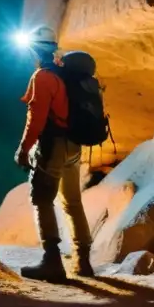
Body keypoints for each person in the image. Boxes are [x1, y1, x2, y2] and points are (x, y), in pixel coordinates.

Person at [14, 25, 93, 282]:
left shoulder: (43, 77)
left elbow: (36, 118)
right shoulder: (65, 74)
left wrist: (24, 149)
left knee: (42, 199)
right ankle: (83, 261)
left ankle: (52, 261)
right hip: (74, 145)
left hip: (53, 146)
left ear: (34, 50)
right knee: (72, 202)